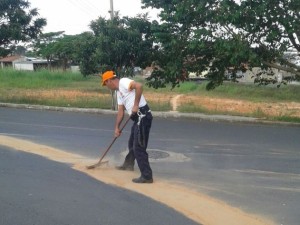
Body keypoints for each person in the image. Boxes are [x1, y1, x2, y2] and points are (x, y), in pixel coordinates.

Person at [101, 70, 153, 184]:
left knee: (139, 147)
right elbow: (120, 111)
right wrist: (117, 128)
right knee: (132, 143)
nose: (106, 86)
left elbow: (139, 86)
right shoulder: (119, 92)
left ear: (109, 80)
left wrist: (135, 105)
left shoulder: (124, 82)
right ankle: (128, 164)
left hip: (143, 116)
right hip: (137, 118)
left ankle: (147, 176)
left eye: (105, 84)